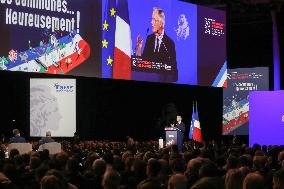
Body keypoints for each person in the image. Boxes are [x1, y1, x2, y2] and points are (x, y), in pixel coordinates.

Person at [136, 7, 178, 82]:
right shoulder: (149, 39)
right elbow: (143, 64)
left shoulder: (169, 44)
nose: (151, 22)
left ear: (161, 23)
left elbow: (174, 72)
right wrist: (139, 48)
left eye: (154, 20)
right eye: (152, 19)